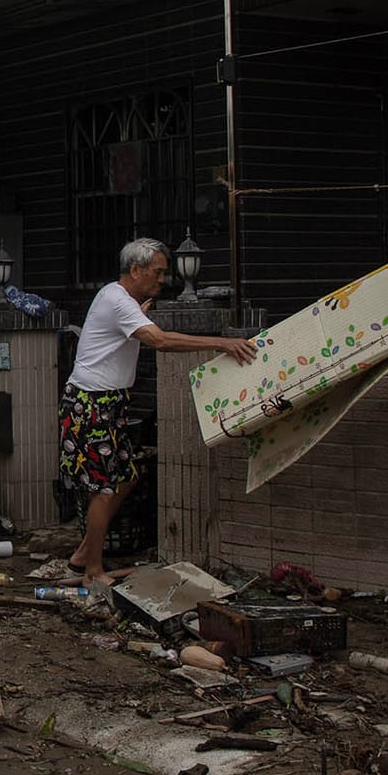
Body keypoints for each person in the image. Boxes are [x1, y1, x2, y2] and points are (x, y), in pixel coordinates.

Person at [62, 237, 258, 587]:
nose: (163, 280)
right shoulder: (118, 300)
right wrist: (222, 343)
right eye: (157, 272)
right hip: (91, 402)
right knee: (103, 487)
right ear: (135, 270)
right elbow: (161, 341)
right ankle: (92, 570)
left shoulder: (121, 300)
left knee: (127, 477)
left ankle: (82, 554)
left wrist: (140, 316)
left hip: (110, 402)